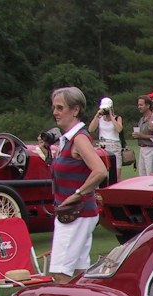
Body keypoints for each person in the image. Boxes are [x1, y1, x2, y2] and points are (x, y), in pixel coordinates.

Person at [49, 87, 109, 285]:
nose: (55, 112)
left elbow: (100, 171)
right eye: (54, 107)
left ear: (75, 110)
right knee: (78, 272)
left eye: (60, 108)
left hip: (75, 214)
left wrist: (77, 194)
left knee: (61, 273)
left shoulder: (79, 138)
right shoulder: (68, 139)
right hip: (79, 214)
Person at [88, 97, 123, 181]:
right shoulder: (100, 119)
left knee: (116, 175)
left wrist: (111, 116)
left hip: (114, 145)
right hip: (103, 146)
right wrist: (97, 115)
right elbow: (91, 129)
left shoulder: (117, 118)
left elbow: (119, 129)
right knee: (103, 174)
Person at [133, 95, 153, 176]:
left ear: (148, 105)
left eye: (141, 105)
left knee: (150, 174)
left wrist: (141, 135)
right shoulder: (142, 119)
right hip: (142, 149)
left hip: (150, 149)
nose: (139, 107)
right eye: (138, 105)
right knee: (142, 174)